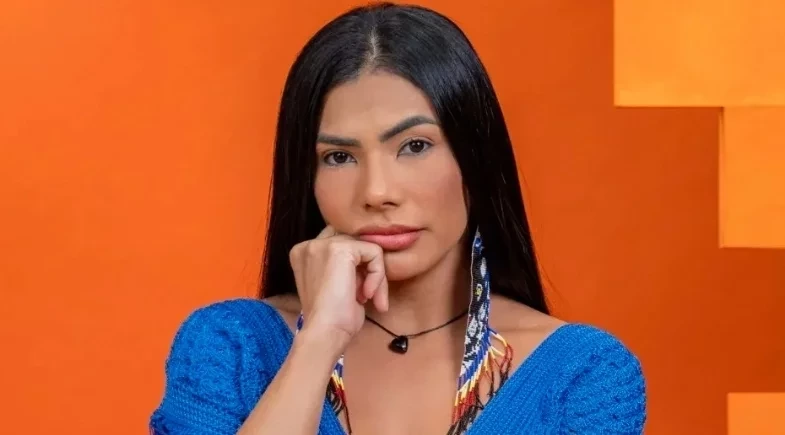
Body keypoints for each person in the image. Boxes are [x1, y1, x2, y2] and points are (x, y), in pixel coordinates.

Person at [149, 3, 646, 434]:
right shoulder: (230, 348)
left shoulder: (582, 376)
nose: (377, 192)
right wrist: (317, 342)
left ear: (476, 160)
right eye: (339, 157)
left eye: (415, 146)